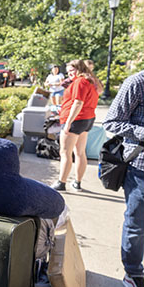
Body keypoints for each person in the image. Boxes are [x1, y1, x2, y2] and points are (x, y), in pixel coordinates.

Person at [103, 71, 144, 287]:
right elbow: (111, 121)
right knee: (137, 224)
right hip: (141, 168)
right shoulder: (138, 82)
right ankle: (133, 273)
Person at [51, 60, 99, 192]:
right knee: (80, 152)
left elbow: (78, 103)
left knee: (65, 152)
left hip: (76, 120)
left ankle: (61, 183)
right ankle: (77, 183)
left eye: (72, 71)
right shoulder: (90, 81)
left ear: (79, 69)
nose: (70, 74)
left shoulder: (80, 82)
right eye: (68, 72)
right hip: (87, 119)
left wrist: (68, 122)